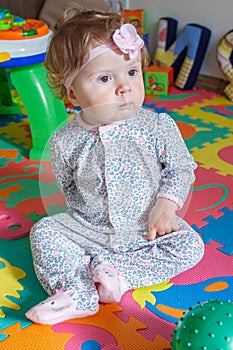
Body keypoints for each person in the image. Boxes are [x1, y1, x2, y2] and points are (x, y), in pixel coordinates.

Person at [26, 8, 204, 325]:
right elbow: (67, 187)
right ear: (72, 92)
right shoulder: (63, 140)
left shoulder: (157, 126)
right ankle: (77, 292)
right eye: (105, 78)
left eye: (132, 73)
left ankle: (117, 276)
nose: (124, 87)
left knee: (191, 246)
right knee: (45, 230)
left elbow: (181, 166)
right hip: (88, 229)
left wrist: (167, 203)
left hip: (145, 229)